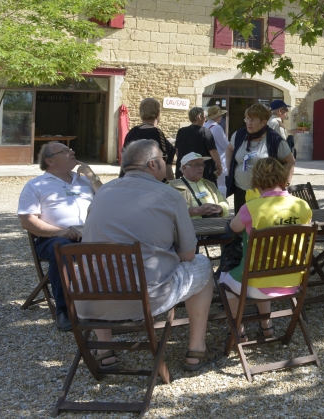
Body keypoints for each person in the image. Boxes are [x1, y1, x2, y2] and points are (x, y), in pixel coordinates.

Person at [79, 139, 222, 371]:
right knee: (202, 263)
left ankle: (104, 350)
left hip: (91, 299)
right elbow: (187, 255)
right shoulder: (168, 195)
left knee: (102, 267)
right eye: (164, 161)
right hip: (144, 298)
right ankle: (197, 349)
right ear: (153, 164)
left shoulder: (103, 192)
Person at [219, 157, 312, 339]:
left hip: (257, 284)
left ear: (256, 180)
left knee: (223, 279)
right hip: (292, 282)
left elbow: (232, 229)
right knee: (265, 268)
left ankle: (238, 331)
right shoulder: (302, 206)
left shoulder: (252, 208)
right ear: (283, 177)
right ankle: (266, 327)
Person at [17, 142, 102, 331]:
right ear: (49, 160)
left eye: (71, 149)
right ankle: (64, 308)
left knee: (122, 244)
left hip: (89, 235)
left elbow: (108, 200)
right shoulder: (35, 185)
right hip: (53, 238)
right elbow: (27, 221)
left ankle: (113, 304)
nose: (72, 151)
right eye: (65, 151)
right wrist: (59, 231)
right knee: (62, 249)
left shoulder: (84, 181)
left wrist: (91, 175)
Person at [225, 103, 296, 213]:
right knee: (241, 223)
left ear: (263, 122)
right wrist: (228, 167)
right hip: (240, 189)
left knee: (261, 224)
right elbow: (229, 149)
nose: (249, 123)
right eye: (247, 119)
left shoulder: (274, 139)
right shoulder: (239, 135)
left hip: (264, 193)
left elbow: (290, 161)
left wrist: (285, 182)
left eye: (253, 120)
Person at [123, 97, 175, 181]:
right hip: (151, 182)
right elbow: (165, 165)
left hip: (129, 180)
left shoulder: (131, 132)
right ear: (158, 114)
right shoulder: (157, 134)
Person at [171, 152, 230, 219]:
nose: (201, 168)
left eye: (202, 165)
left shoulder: (210, 184)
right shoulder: (173, 186)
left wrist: (219, 208)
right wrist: (195, 211)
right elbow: (170, 210)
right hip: (189, 227)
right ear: (184, 168)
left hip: (214, 224)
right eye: (196, 165)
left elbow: (224, 203)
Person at [174, 107, 222, 184]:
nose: (205, 119)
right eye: (204, 116)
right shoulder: (205, 131)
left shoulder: (181, 131)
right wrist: (219, 165)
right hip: (202, 172)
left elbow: (177, 151)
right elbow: (213, 151)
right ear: (199, 117)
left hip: (185, 170)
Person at [203, 105, 230, 195]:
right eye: (221, 115)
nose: (221, 117)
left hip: (207, 158)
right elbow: (225, 145)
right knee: (221, 185)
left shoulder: (204, 126)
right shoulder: (217, 128)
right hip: (218, 158)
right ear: (217, 116)